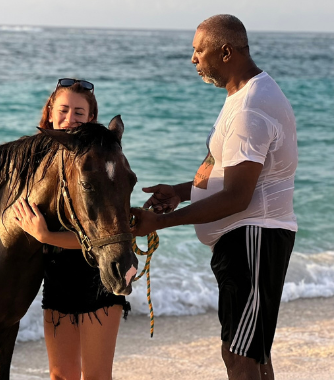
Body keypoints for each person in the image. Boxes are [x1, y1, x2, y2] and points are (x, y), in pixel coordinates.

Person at [131, 15, 297, 380]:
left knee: (241, 355)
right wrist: (179, 192)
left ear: (225, 52)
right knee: (248, 353)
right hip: (248, 238)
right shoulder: (242, 97)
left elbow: (238, 196)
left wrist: (160, 222)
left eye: (198, 50)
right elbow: (226, 172)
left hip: (254, 235)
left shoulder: (251, 105)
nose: (193, 59)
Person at [13, 78, 129, 380]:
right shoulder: (31, 157)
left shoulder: (99, 159)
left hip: (98, 277)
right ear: (51, 111)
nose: (69, 118)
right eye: (63, 110)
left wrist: (46, 236)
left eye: (79, 112)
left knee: (96, 377)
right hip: (57, 277)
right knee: (61, 376)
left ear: (91, 118)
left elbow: (101, 237)